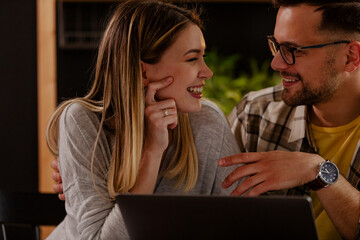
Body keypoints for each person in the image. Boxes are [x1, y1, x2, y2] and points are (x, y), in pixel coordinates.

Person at [46, 0, 241, 239]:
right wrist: (152, 152)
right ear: (143, 72)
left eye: (203, 56)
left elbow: (246, 223)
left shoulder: (208, 122)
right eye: (192, 59)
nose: (207, 72)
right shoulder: (81, 122)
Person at [218, 1, 360, 239]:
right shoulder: (255, 115)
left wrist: (319, 172)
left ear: (350, 57)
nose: (276, 63)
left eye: (294, 50)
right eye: (277, 46)